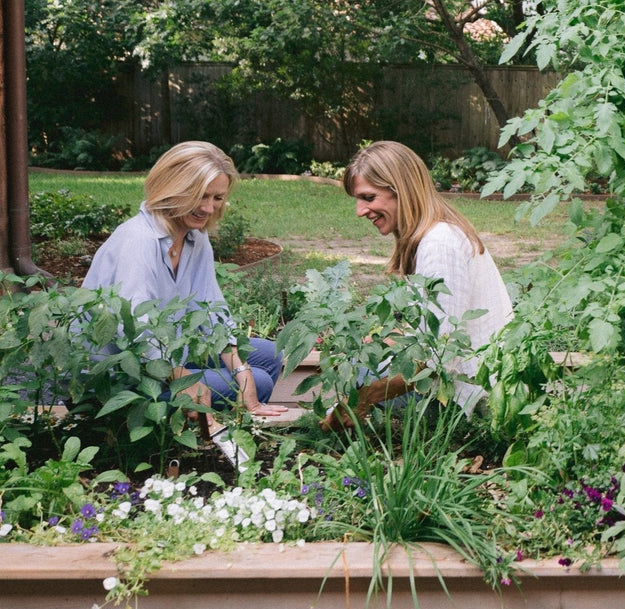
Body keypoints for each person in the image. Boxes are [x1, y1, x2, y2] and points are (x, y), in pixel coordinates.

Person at [83, 141, 287, 420]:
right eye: (200, 196)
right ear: (172, 188)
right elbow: (134, 335)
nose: (208, 208)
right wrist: (182, 379)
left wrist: (243, 373)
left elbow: (210, 312)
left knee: (267, 358)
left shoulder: (196, 238)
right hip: (121, 373)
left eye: (217, 198)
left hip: (168, 348)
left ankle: (227, 427)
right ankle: (132, 428)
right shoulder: (138, 241)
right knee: (260, 381)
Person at [321, 140, 513, 430]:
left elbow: (438, 359)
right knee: (361, 358)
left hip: (468, 398)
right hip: (461, 384)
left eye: (369, 197)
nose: (361, 211)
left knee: (360, 376)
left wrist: (366, 396)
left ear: (400, 190)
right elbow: (431, 329)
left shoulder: (440, 244)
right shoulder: (434, 235)